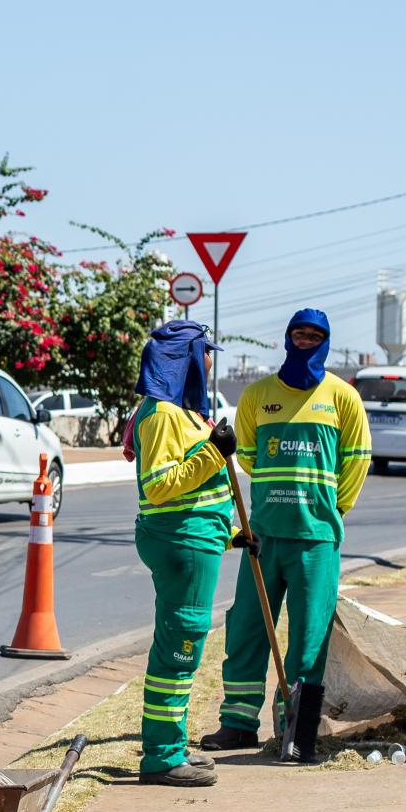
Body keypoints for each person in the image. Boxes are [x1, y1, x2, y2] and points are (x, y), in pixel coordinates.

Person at [202, 308, 371, 764]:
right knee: (246, 629)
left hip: (316, 540)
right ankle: (238, 723)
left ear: (326, 342)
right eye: (299, 334)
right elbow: (249, 456)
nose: (306, 341)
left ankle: (294, 731)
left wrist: (331, 510)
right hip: (263, 536)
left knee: (308, 639)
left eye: (315, 336)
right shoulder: (257, 395)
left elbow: (357, 460)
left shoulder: (343, 397)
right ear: (287, 338)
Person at [129, 319, 235, 787]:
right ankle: (162, 756)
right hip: (182, 542)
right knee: (180, 648)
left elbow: (198, 497)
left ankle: (171, 744)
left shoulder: (183, 412)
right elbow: (159, 487)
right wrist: (213, 452)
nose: (209, 361)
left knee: (182, 648)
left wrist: (232, 535)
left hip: (197, 539)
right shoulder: (163, 415)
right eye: (205, 352)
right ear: (187, 358)